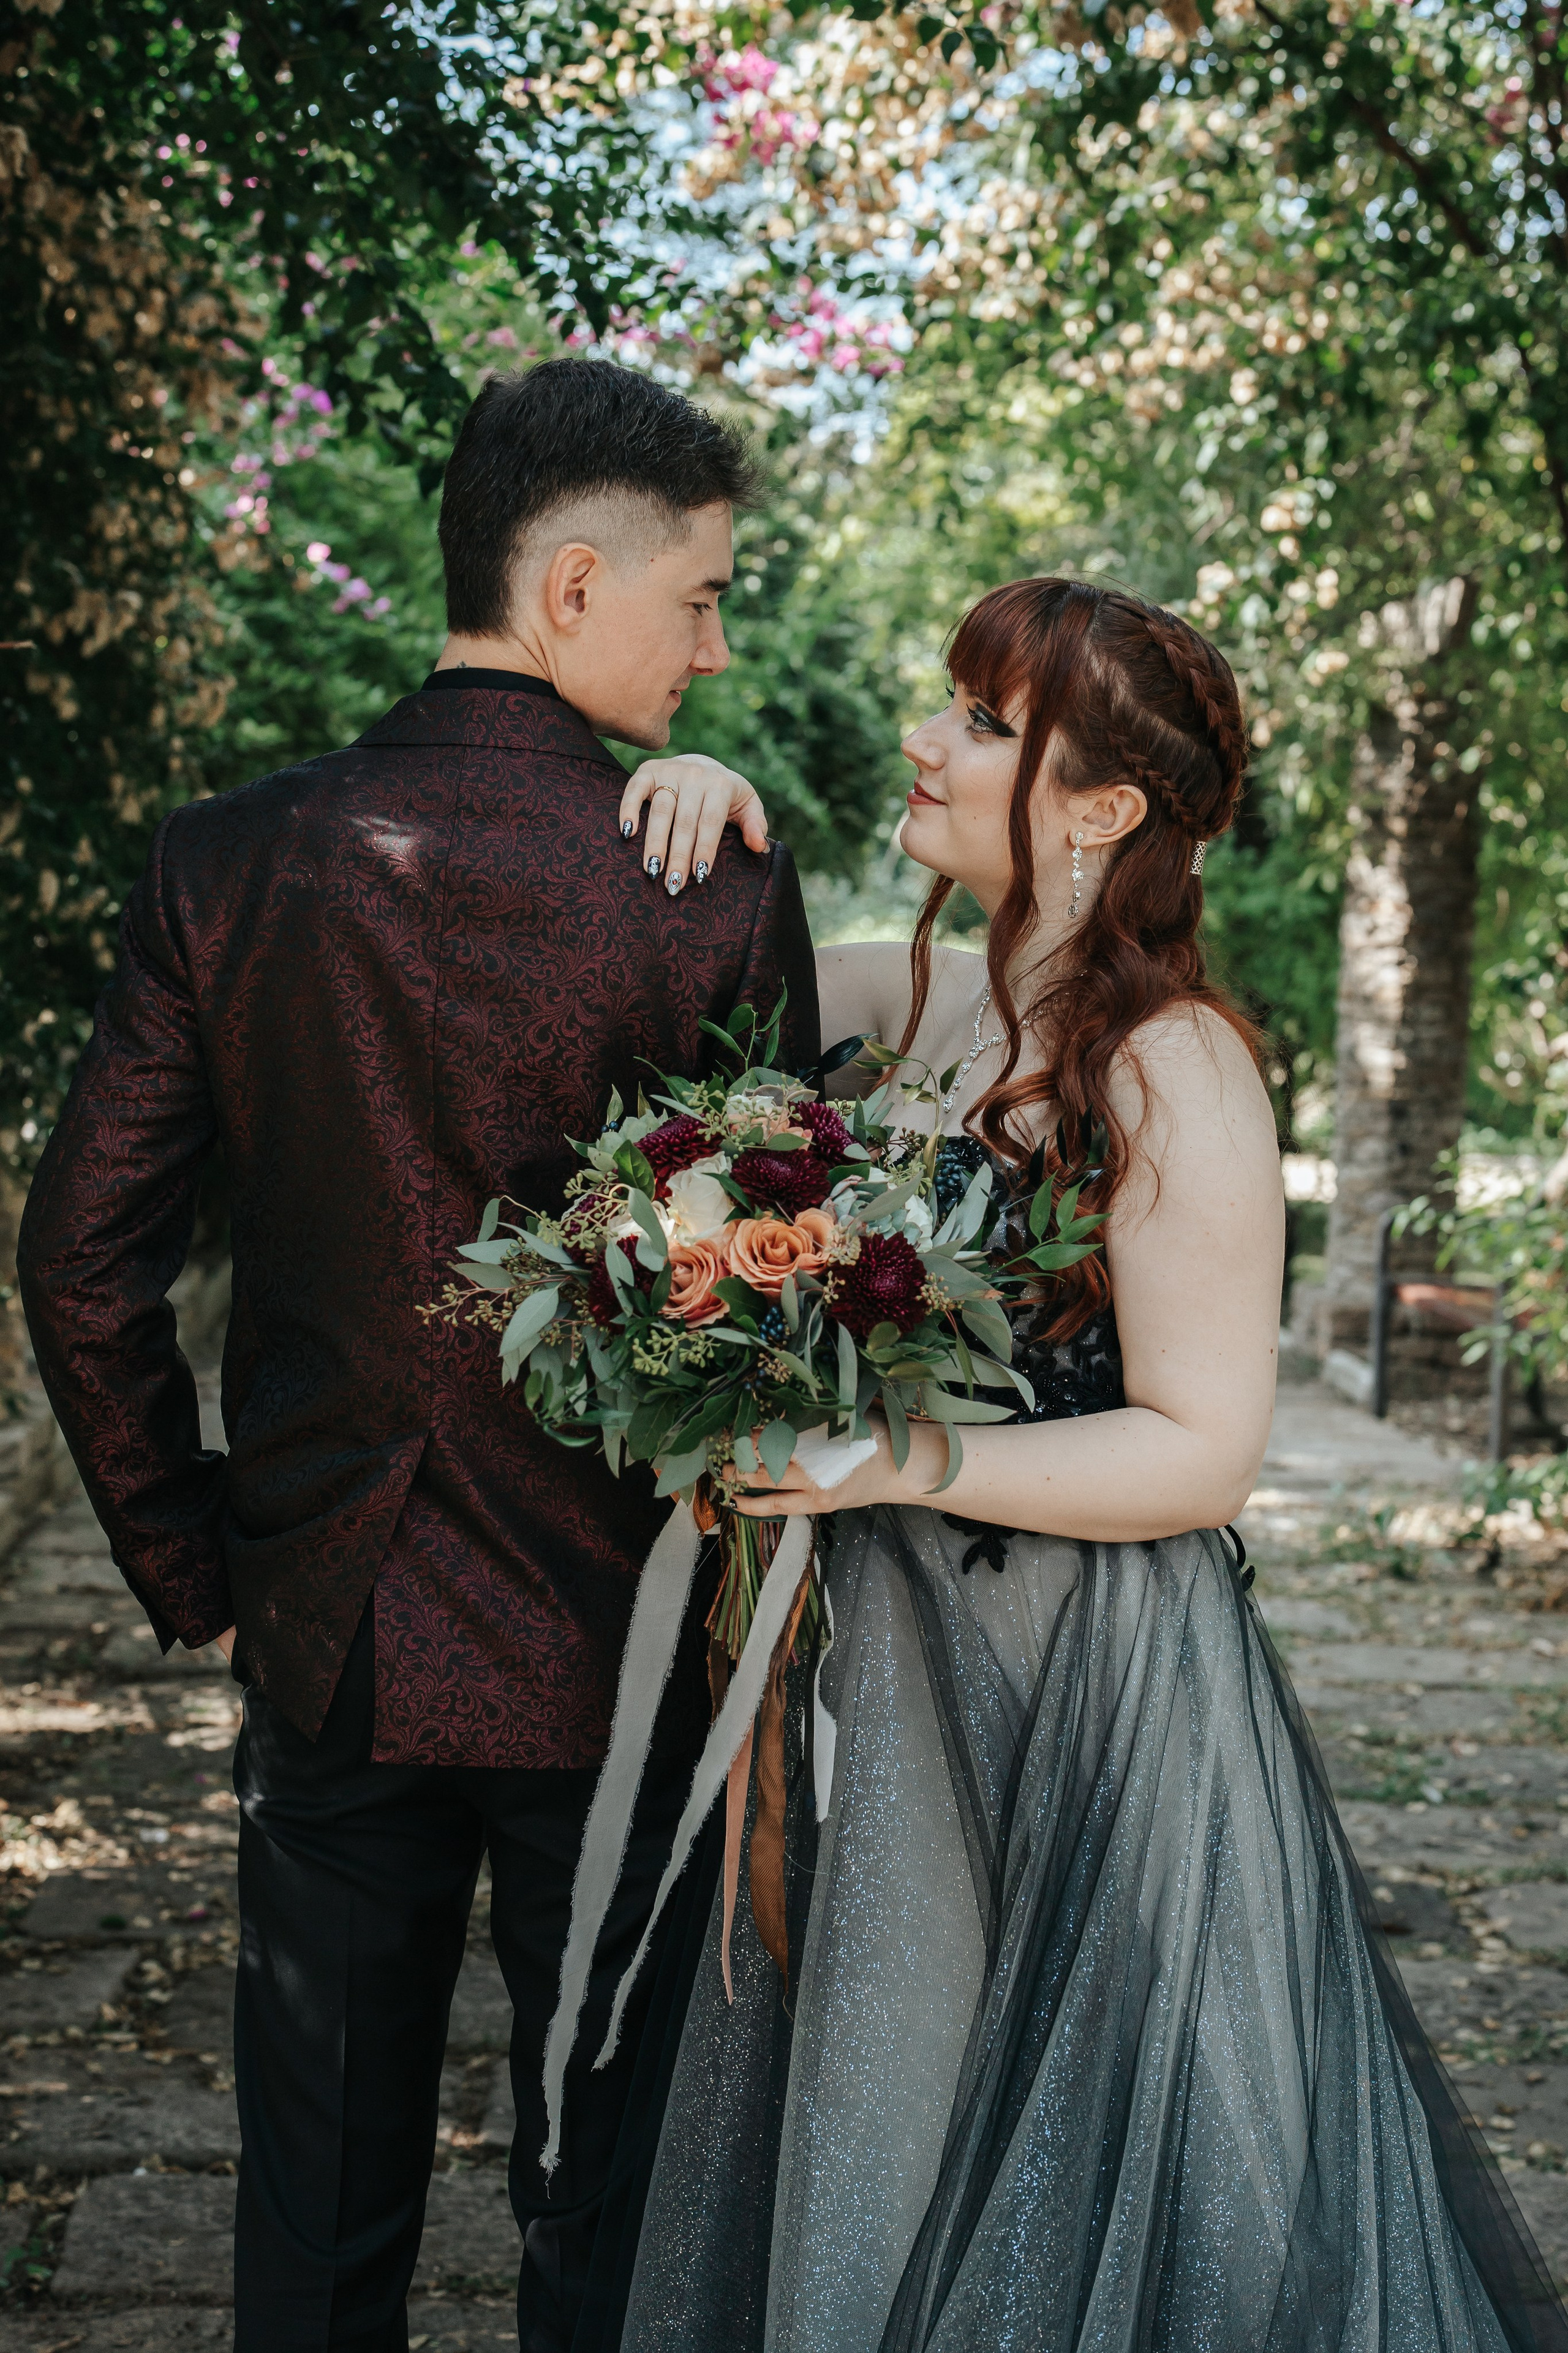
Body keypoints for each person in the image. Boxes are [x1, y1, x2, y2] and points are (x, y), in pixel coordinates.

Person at [614, 578, 1568, 2351]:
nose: (926, 739)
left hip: (1088, 1683)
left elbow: (1204, 1453)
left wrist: (896, 1451)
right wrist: (705, 796)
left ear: (1101, 804)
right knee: (892, 2097)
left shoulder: (1176, 1065)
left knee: (1110, 2155)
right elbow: (689, 971)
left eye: (980, 719)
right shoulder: (913, 1004)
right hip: (892, 1661)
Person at [16, 356, 818, 2353]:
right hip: (623, 1642)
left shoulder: (232, 859)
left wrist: (197, 1558)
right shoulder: (711, 886)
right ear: (567, 587)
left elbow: (79, 1260)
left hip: (333, 1624)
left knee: (318, 2207)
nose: (718, 651)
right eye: (698, 597)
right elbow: (789, 1275)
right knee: (603, 2212)